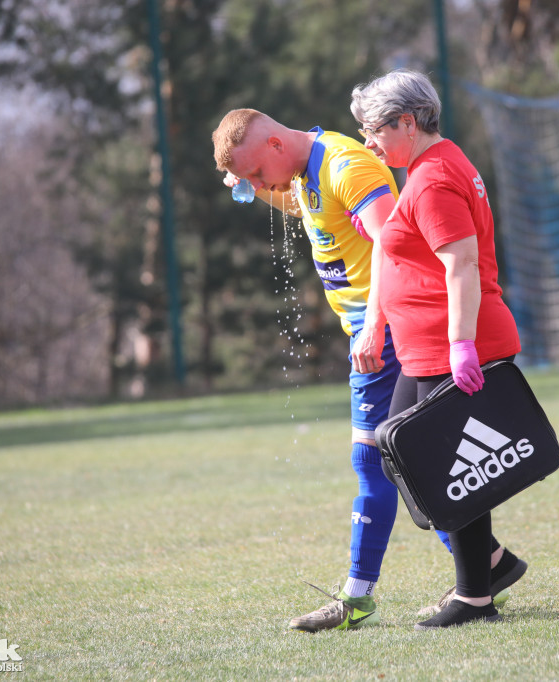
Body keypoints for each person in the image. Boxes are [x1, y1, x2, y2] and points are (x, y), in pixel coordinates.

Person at [211, 109, 429, 632]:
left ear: (276, 146)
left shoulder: (344, 165)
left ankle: (357, 595)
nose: (260, 185)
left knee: (373, 460)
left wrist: (374, 324)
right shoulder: (307, 167)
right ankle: (485, 564)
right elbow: (301, 203)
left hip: (388, 331)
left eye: (258, 174)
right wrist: (258, 188)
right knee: (405, 461)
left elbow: (392, 243)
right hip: (377, 330)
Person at [348, 69, 527, 629]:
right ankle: (490, 565)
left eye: (374, 130)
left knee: (448, 465)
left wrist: (461, 345)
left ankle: (475, 594)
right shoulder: (430, 165)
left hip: (451, 347)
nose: (369, 143)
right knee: (403, 449)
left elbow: (462, 265)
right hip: (422, 347)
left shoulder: (434, 178)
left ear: (408, 121)